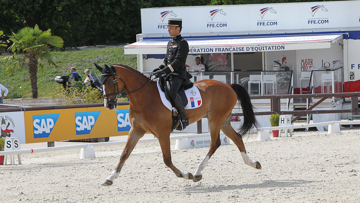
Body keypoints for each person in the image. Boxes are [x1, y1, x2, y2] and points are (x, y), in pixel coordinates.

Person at [153, 18, 192, 131]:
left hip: (178, 74)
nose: (168, 30)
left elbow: (178, 61)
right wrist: (160, 68)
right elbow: (167, 60)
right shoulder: (170, 42)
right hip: (169, 74)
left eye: (170, 28)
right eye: (168, 28)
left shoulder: (183, 43)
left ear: (178, 29)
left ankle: (183, 118)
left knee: (172, 92)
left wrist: (165, 71)